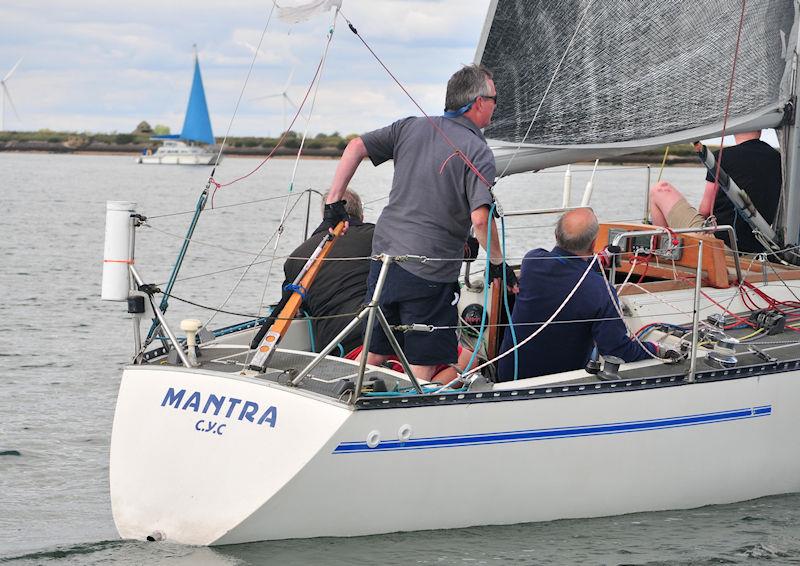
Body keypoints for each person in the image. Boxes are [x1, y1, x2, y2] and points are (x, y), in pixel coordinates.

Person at [321, 64, 518, 381]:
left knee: (378, 349)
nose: (496, 106)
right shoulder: (477, 150)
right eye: (495, 99)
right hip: (429, 271)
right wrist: (498, 262)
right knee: (421, 364)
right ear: (478, 102)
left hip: (383, 259)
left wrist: (334, 203)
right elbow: (480, 220)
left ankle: (353, 397)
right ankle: (401, 419)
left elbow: (356, 146)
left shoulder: (410, 127)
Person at [497, 208, 658, 380]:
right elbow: (617, 350)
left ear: (556, 235)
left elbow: (566, 270)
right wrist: (655, 349)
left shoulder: (532, 261)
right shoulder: (601, 291)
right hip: (554, 386)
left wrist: (599, 260)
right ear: (592, 244)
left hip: (508, 376)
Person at [253, 189, 374, 355]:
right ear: (361, 213)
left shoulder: (296, 258)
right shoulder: (378, 237)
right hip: (379, 337)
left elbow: (294, 307)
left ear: (325, 215)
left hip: (335, 349)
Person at [648, 131, 782, 253]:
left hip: (720, 245)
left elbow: (706, 209)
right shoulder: (780, 159)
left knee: (659, 189)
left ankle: (664, 254)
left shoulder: (723, 156)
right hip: (760, 247)